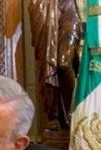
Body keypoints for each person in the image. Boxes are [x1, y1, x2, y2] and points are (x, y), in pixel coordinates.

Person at [29, 0, 81, 132]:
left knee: (64, 63)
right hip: (46, 8)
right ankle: (54, 116)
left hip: (69, 10)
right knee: (49, 67)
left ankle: (73, 111)